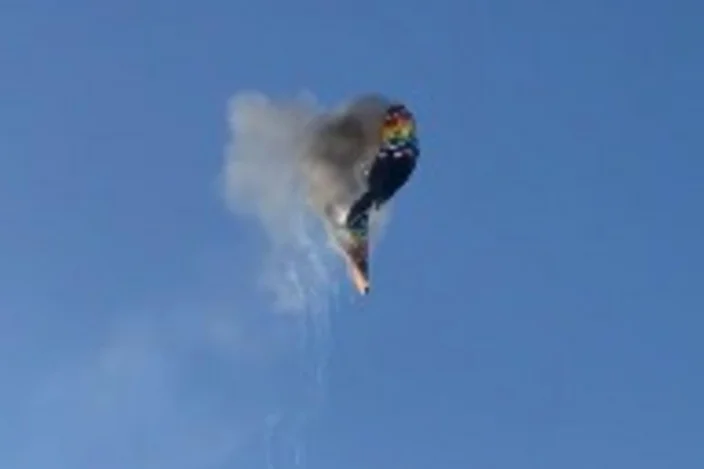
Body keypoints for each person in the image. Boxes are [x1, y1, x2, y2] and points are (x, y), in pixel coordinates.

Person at [344, 103, 420, 232]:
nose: (395, 128)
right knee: (375, 188)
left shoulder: (406, 144)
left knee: (379, 190)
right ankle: (355, 217)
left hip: (399, 161)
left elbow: (404, 159)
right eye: (391, 124)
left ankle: (357, 218)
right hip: (389, 161)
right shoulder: (388, 144)